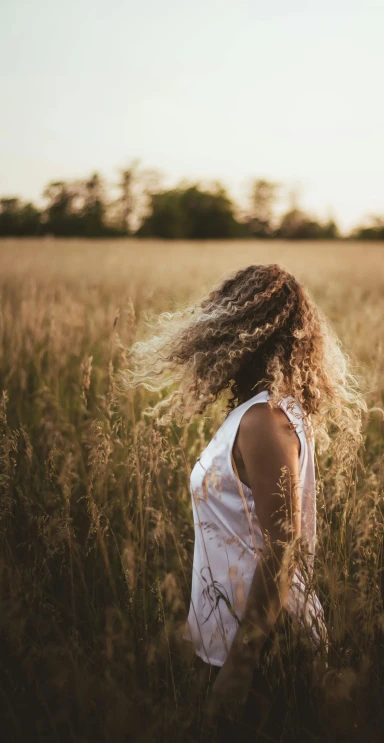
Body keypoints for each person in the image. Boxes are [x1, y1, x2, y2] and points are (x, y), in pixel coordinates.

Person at [122, 263, 366, 731]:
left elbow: (282, 546)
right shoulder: (257, 413)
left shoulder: (265, 421)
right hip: (236, 639)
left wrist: (239, 665)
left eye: (222, 323)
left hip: (264, 649)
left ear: (245, 333)